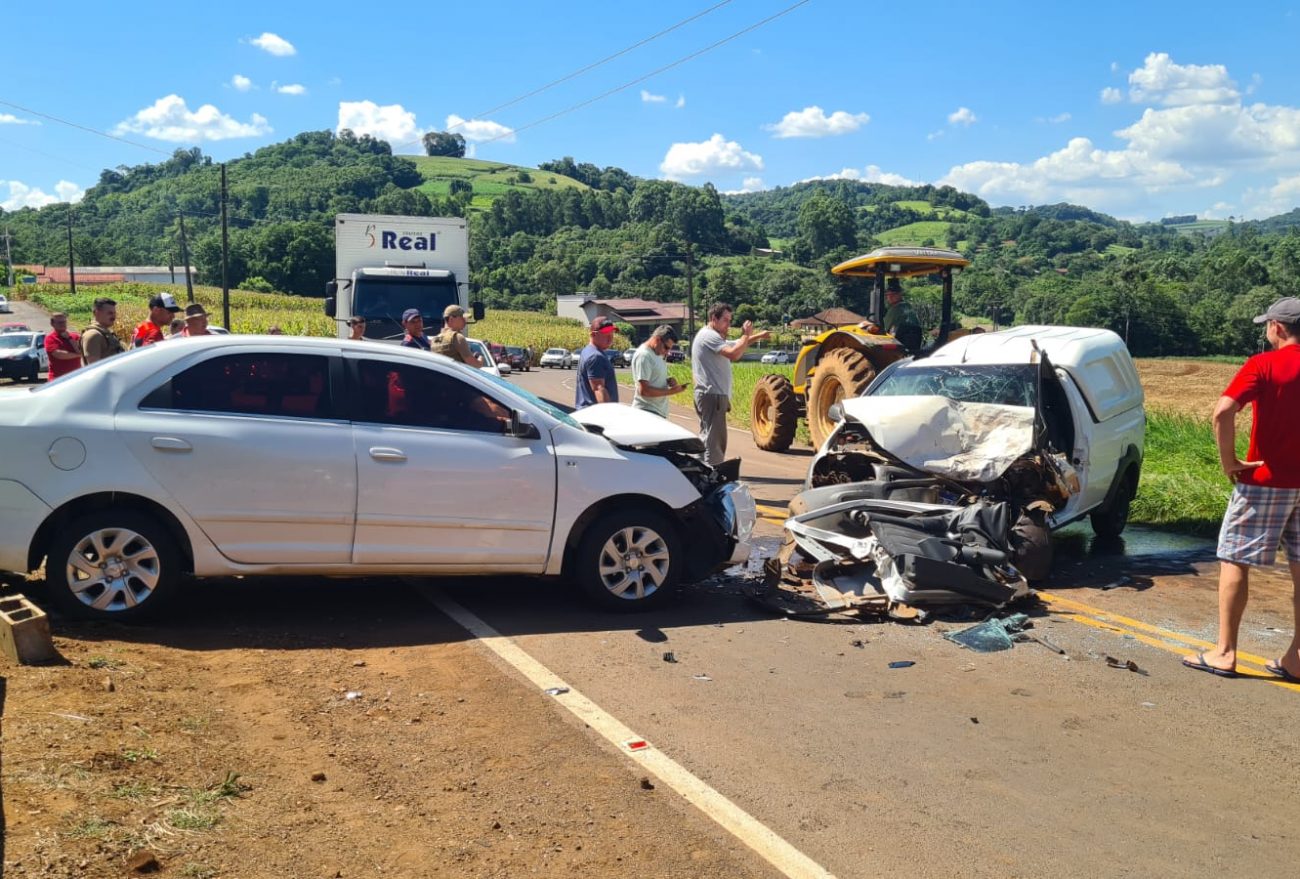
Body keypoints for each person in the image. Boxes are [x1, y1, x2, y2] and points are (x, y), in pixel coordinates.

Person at [1183, 297, 1300, 681]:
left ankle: (1225, 652)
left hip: (1265, 482)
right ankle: (1296, 657)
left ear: (1277, 328)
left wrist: (1229, 461)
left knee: (1235, 558)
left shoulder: (1263, 364)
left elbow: (1223, 410)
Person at [691, 303, 768, 466]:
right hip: (713, 396)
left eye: (730, 320)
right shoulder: (709, 336)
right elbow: (733, 354)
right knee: (716, 443)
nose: (729, 324)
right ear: (714, 319)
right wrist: (746, 334)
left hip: (708, 394)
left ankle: (698, 473)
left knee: (707, 438)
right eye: (725, 320)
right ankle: (713, 476)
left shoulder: (710, 336)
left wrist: (757, 336)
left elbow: (735, 344)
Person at [631, 325, 688, 418]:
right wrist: (672, 391)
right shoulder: (644, 356)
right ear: (657, 339)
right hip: (647, 412)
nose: (668, 352)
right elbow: (644, 391)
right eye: (666, 347)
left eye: (670, 348)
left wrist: (667, 381)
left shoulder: (657, 353)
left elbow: (653, 378)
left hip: (656, 411)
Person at [859, 278, 923, 352]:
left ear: (900, 294)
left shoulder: (896, 308)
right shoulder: (907, 306)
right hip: (912, 343)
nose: (890, 297)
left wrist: (869, 325)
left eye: (893, 294)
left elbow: (883, 327)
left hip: (900, 344)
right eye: (888, 294)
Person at [576, 316, 619, 408]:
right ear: (593, 334)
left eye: (612, 334)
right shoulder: (596, 356)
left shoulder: (588, 351)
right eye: (606, 334)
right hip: (595, 415)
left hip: (587, 411)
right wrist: (610, 415)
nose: (610, 338)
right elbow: (599, 389)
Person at [81, 297, 123, 365]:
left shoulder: (105, 332)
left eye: (114, 313)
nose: (113, 316)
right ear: (96, 313)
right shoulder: (93, 335)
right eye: (110, 313)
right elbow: (94, 366)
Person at [44, 312, 82, 380]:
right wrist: (78, 355)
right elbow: (58, 354)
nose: (62, 324)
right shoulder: (50, 338)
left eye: (64, 322)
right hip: (57, 379)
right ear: (52, 324)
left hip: (76, 378)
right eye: (59, 322)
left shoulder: (75, 336)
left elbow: (81, 351)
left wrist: (69, 339)